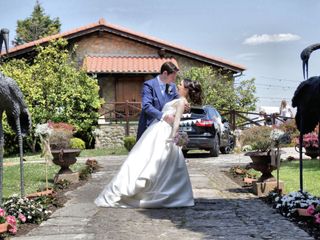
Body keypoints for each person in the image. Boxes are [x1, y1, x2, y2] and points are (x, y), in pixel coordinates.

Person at [95, 79, 202, 208]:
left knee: (153, 161)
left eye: (180, 84)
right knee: (148, 159)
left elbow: (177, 121)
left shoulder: (181, 102)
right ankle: (159, 193)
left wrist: (173, 137)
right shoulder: (180, 100)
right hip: (158, 130)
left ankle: (154, 194)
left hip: (164, 133)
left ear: (185, 89)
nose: (177, 85)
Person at [136, 61, 180, 141]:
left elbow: (178, 100)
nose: (174, 80)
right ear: (165, 73)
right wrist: (163, 116)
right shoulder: (149, 85)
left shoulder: (172, 86)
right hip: (150, 127)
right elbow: (146, 106)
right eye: (172, 77)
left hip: (166, 128)